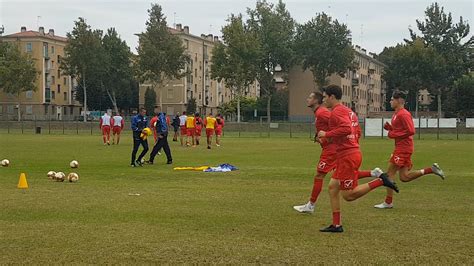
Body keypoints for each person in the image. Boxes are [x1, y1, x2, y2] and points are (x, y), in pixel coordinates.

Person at [317, 85, 399, 233]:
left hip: (348, 155)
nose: (323, 100)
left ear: (332, 97)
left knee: (348, 195)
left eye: (324, 97)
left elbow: (346, 129)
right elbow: (356, 131)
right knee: (332, 187)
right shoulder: (349, 111)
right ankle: (336, 225)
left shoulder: (336, 112)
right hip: (349, 153)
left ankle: (381, 180)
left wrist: (326, 135)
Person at [293, 92, 382, 214]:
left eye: (310, 98)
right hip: (334, 149)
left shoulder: (322, 112)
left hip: (332, 150)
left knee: (320, 175)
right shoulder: (320, 112)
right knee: (341, 176)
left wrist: (328, 136)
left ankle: (311, 205)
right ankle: (374, 173)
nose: (307, 99)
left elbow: (339, 123)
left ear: (316, 100)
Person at [373, 90, 445, 209]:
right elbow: (401, 130)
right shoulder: (396, 114)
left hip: (403, 148)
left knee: (389, 174)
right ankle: (431, 169)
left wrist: (392, 133)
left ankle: (388, 202)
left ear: (400, 100)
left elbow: (411, 130)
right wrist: (390, 128)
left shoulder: (403, 114)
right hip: (403, 147)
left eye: (392, 99)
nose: (390, 101)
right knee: (404, 177)